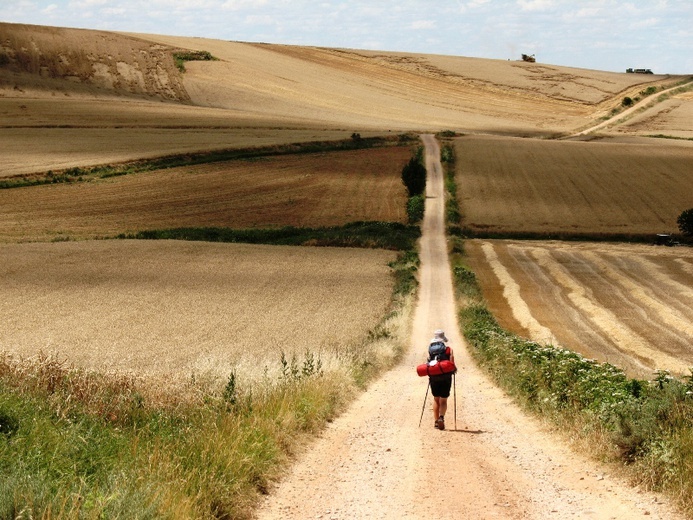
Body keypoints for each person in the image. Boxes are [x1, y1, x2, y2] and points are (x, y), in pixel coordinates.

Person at [427, 329, 454, 430]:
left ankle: (436, 421)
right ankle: (441, 417)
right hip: (446, 377)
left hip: (434, 377)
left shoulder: (430, 349)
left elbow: (429, 362)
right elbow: (452, 365)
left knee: (436, 399)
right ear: (443, 339)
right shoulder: (449, 350)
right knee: (443, 400)